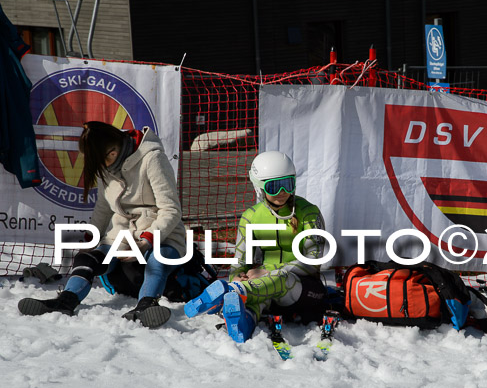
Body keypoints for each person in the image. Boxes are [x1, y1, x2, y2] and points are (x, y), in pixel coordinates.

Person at [18, 121, 187, 328]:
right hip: (122, 235)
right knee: (87, 258)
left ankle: (146, 306)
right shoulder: (106, 166)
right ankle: (66, 300)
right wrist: (92, 238)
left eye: (103, 158)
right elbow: (104, 207)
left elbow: (170, 209)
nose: (101, 164)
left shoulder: (152, 158)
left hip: (163, 235)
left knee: (156, 261)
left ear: (114, 149)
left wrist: (145, 242)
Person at [184, 151, 327, 342]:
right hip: (262, 289)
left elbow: (313, 261)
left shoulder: (308, 212)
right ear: (259, 187)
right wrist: (238, 275)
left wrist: (267, 273)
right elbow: (240, 262)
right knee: (256, 298)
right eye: (274, 186)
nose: (281, 192)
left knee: (280, 279)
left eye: (287, 184)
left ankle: (231, 290)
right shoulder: (251, 216)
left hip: (304, 291)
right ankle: (241, 324)